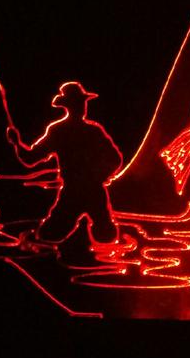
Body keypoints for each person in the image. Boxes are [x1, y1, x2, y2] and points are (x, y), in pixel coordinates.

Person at [6, 82, 122, 244]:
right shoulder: (82, 131)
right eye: (79, 103)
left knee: (54, 234)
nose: (83, 106)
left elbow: (30, 159)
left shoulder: (66, 130)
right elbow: (31, 159)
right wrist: (17, 143)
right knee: (55, 234)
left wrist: (17, 144)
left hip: (83, 191)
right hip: (84, 190)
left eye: (83, 102)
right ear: (70, 106)